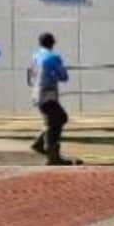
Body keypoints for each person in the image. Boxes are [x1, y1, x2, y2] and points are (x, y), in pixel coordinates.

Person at [26, 33, 75, 167]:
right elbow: (63, 76)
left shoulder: (35, 56)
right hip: (48, 94)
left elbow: (30, 74)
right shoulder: (53, 57)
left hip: (37, 93)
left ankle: (40, 144)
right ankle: (51, 155)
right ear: (53, 43)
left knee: (58, 119)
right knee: (56, 120)